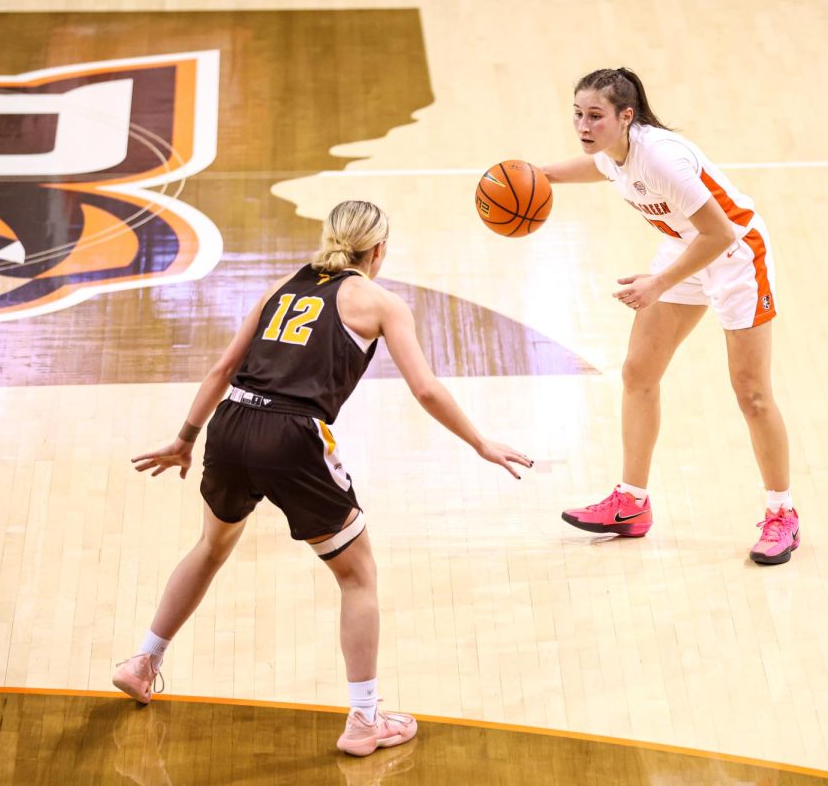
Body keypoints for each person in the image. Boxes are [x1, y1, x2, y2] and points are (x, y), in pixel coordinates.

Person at [112, 200, 533, 756]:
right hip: (293, 436)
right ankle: (364, 720)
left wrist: (185, 438)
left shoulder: (280, 288)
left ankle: (144, 660)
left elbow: (221, 370)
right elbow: (426, 389)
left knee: (211, 545)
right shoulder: (380, 302)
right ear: (378, 249)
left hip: (232, 422)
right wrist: (481, 442)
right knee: (357, 577)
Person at [542, 68, 801, 565]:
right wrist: (540, 174)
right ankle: (631, 504)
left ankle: (781, 513)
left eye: (595, 116)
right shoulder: (613, 153)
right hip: (688, 248)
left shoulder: (661, 157)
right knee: (639, 373)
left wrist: (657, 283)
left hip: (736, 255)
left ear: (626, 116)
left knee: (751, 392)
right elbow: (598, 167)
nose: (584, 125)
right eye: (578, 114)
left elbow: (721, 233)